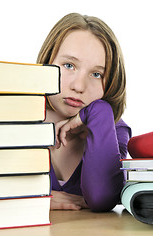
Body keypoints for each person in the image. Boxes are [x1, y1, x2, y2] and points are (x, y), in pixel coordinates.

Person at [37, 13, 131, 212]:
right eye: (69, 65)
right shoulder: (10, 116)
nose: (79, 86)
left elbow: (101, 198)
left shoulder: (113, 128)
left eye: (97, 74)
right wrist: (30, 196)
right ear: (47, 62)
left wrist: (99, 110)